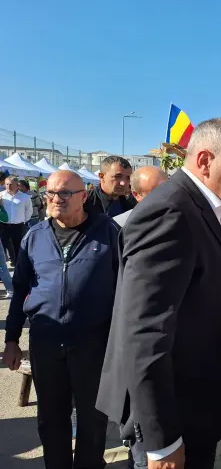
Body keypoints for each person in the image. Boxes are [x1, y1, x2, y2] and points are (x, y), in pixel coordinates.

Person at [96, 117, 221, 469]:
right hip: (175, 420)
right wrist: (162, 441)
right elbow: (143, 333)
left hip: (196, 411)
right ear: (204, 161)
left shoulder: (205, 210)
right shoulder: (171, 211)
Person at [3, 170, 120, 469]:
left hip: (94, 345)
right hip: (46, 342)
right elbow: (20, 291)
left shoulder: (109, 234)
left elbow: (126, 290)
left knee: (93, 419)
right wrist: (12, 339)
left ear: (84, 196)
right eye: (50, 193)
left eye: (65, 193)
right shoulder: (35, 236)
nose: (56, 199)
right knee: (51, 418)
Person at [0, 176, 33, 265]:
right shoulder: (1, 195)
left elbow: (29, 211)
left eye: (11, 184)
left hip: (18, 226)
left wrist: (23, 220)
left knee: (18, 247)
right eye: (7, 184)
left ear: (17, 185)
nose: (8, 186)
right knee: (2, 247)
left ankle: (18, 267)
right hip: (4, 226)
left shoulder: (25, 197)